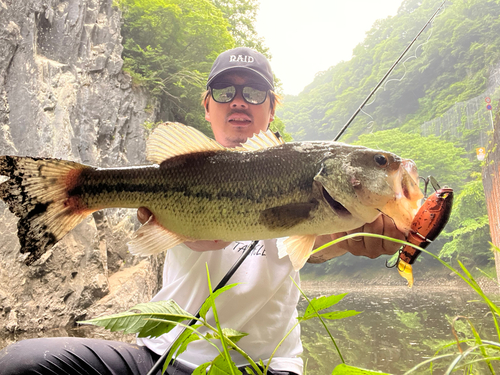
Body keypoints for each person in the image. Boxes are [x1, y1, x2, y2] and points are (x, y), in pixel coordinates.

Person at [0, 47, 404, 375]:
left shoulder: (312, 181)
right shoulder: (185, 163)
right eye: (226, 92)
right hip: (162, 355)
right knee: (21, 363)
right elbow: (150, 229)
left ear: (272, 107)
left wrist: (357, 238)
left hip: (262, 366)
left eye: (255, 93)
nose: (240, 101)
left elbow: (312, 246)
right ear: (207, 107)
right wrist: (151, 216)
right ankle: (71, 190)